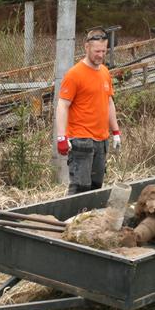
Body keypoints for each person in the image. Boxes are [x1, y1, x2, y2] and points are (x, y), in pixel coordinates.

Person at [55, 27, 122, 195]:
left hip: (101, 140)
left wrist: (116, 131)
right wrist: (62, 137)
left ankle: (89, 220)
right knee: (80, 188)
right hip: (81, 141)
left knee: (95, 188)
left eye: (103, 51)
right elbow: (62, 105)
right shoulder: (75, 74)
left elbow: (108, 102)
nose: (100, 55)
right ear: (87, 48)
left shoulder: (105, 72)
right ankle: (70, 220)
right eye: (96, 51)